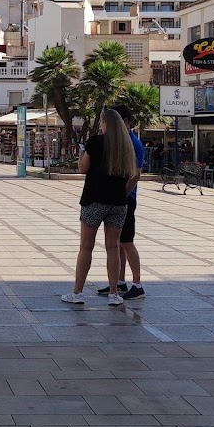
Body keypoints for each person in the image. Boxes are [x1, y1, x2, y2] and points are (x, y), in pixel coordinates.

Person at [61, 107, 138, 307]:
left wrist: (81, 154)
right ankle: (114, 293)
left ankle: (77, 292)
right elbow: (132, 174)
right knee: (113, 247)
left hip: (94, 199)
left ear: (105, 123)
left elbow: (83, 168)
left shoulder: (95, 142)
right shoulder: (126, 145)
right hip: (118, 202)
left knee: (86, 246)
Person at [98, 105, 145, 300]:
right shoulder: (125, 141)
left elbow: (135, 175)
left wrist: (121, 194)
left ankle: (137, 284)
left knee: (126, 241)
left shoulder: (133, 143)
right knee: (118, 242)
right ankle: (120, 281)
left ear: (125, 121)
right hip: (122, 198)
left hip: (127, 198)